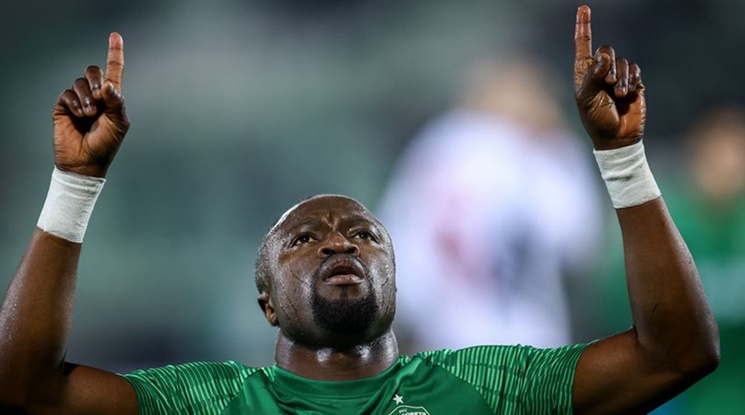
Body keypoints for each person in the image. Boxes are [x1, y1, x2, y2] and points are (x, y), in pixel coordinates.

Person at [0, 5, 719, 414]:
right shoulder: (210, 400)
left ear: (396, 280)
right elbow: (25, 387)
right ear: (265, 303)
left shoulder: (487, 386)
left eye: (364, 233)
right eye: (302, 238)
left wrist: (621, 158)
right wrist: (76, 183)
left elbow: (677, 354)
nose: (338, 241)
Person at [378, 56, 603, 352]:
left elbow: (397, 248)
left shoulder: (435, 144)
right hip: (528, 345)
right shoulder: (539, 150)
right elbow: (578, 241)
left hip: (444, 342)